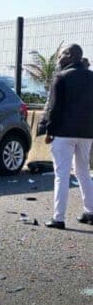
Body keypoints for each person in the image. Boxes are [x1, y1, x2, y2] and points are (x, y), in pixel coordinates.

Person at [42, 44, 93, 230]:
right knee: (83, 172)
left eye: (62, 53)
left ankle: (58, 218)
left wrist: (49, 131)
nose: (59, 57)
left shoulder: (61, 77)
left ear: (70, 55)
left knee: (61, 175)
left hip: (63, 133)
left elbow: (54, 108)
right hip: (87, 133)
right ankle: (90, 212)